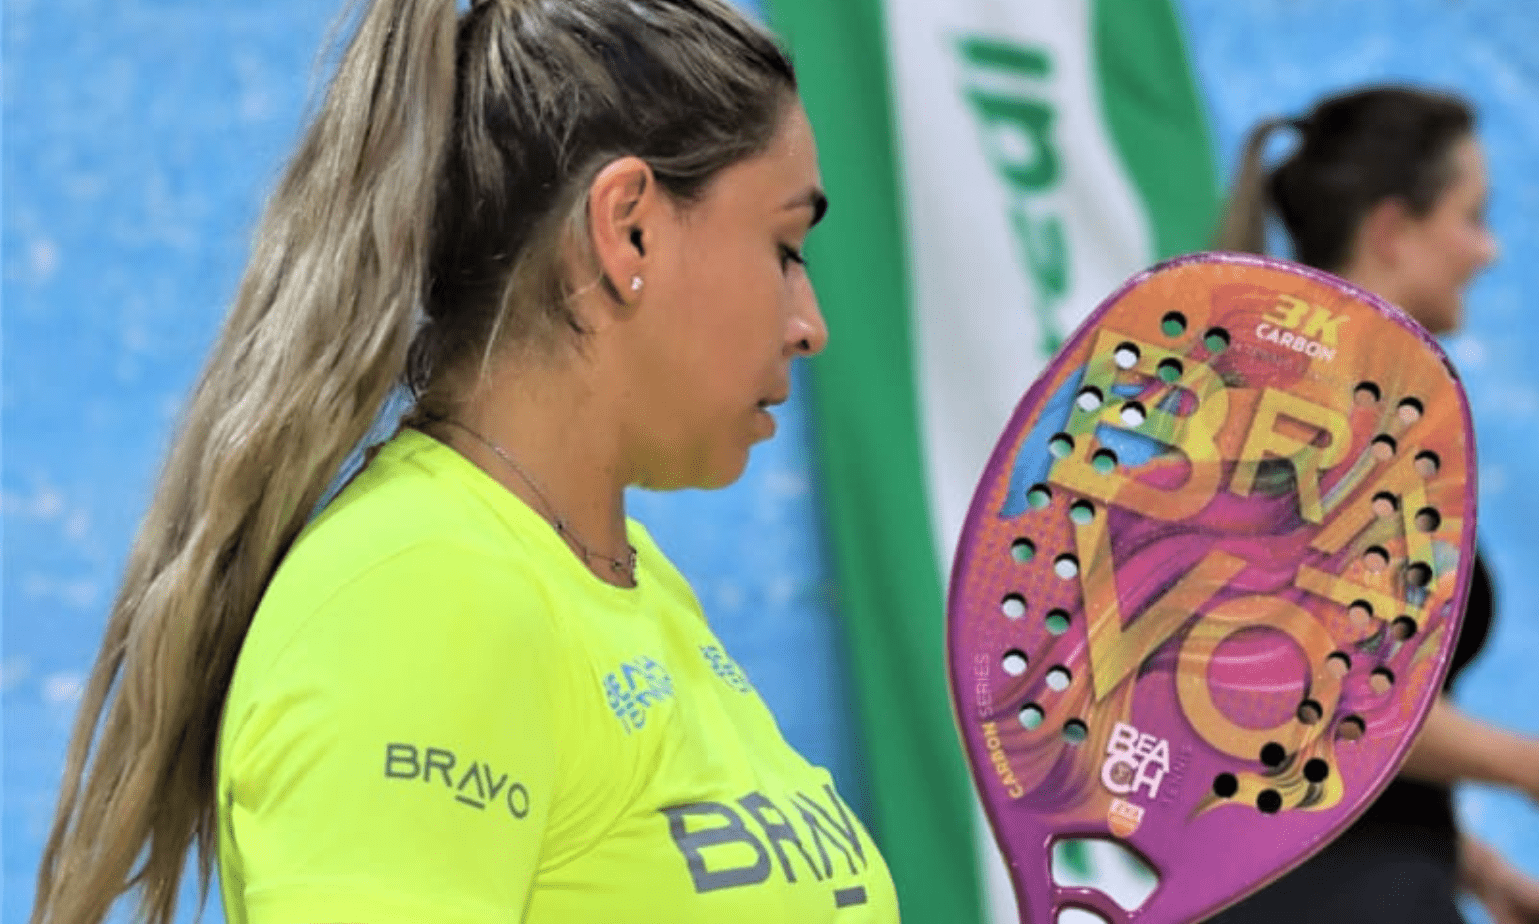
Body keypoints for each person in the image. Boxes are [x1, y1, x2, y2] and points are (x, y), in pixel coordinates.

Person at [29, 2, 899, 923]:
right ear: (629, 227)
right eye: (784, 249)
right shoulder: (421, 597)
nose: (810, 326)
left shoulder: (632, 595)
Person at [1207, 85, 1539, 924]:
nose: (1490, 251)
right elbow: (1324, 688)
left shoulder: (1326, 411)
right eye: (1473, 216)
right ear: (1392, 231)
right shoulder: (1316, 421)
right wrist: (1529, 765)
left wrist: (1479, 871)